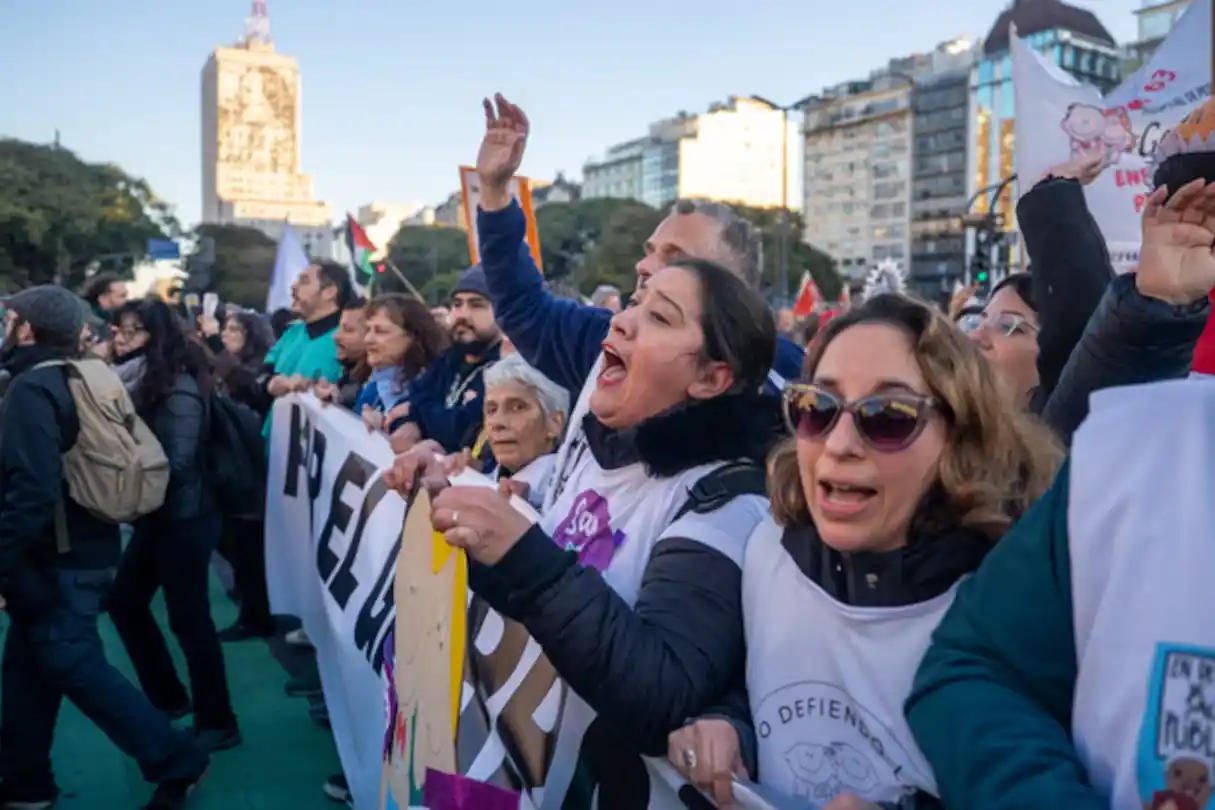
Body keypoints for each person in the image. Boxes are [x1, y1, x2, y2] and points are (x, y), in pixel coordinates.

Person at [386, 258, 781, 808]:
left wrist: (525, 556)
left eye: (660, 318)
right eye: (635, 302)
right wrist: (453, 511)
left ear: (712, 378)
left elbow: (660, 694)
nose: (620, 321)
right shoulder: (599, 446)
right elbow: (544, 596)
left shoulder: (727, 500)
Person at [906, 136, 1215, 810]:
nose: (978, 337)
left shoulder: (1089, 439)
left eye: (1010, 325)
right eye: (975, 320)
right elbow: (975, 673)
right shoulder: (1150, 450)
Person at [666, 293, 1062, 808]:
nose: (840, 443)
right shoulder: (769, 548)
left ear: (961, 436)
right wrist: (725, 725)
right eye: (817, 408)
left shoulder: (1013, 605)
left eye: (889, 416)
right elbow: (766, 679)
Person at [0, 286, 209, 810]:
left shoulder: (31, 388)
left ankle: (176, 760)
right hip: (87, 544)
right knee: (29, 667)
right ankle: (26, 783)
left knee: (72, 662)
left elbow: (31, 487)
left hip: (58, 555)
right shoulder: (84, 375)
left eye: (10, 319)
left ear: (26, 329)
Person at [473, 94, 803, 404]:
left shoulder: (789, 386)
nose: (644, 267)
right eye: (650, 251)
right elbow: (524, 308)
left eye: (676, 259)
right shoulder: (604, 342)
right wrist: (493, 190)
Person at [106, 300, 241, 754]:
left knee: (190, 619)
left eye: (134, 331)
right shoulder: (143, 378)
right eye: (120, 330)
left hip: (182, 516)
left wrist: (123, 481)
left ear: (156, 335)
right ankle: (169, 698)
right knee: (126, 602)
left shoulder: (177, 384)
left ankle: (217, 720)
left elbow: (176, 462)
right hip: (160, 515)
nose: (122, 339)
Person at [386, 266, 502, 454]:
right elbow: (401, 409)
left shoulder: (506, 369)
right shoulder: (449, 359)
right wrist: (410, 422)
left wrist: (416, 414)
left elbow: (462, 429)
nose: (462, 314)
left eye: (477, 305)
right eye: (457, 304)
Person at [211, 310, 276, 641]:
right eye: (224, 329)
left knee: (248, 544)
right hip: (234, 468)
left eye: (234, 329)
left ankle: (257, 615)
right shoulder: (226, 367)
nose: (226, 335)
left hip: (253, 469)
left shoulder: (254, 373)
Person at [355, 293, 448, 432]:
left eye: (380, 331)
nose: (368, 339)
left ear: (412, 336)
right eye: (368, 330)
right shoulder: (375, 384)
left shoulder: (432, 388)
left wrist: (386, 426)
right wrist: (336, 399)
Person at [315, 297, 371, 411]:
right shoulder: (348, 376)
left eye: (348, 330)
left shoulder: (374, 389)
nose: (336, 336)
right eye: (339, 328)